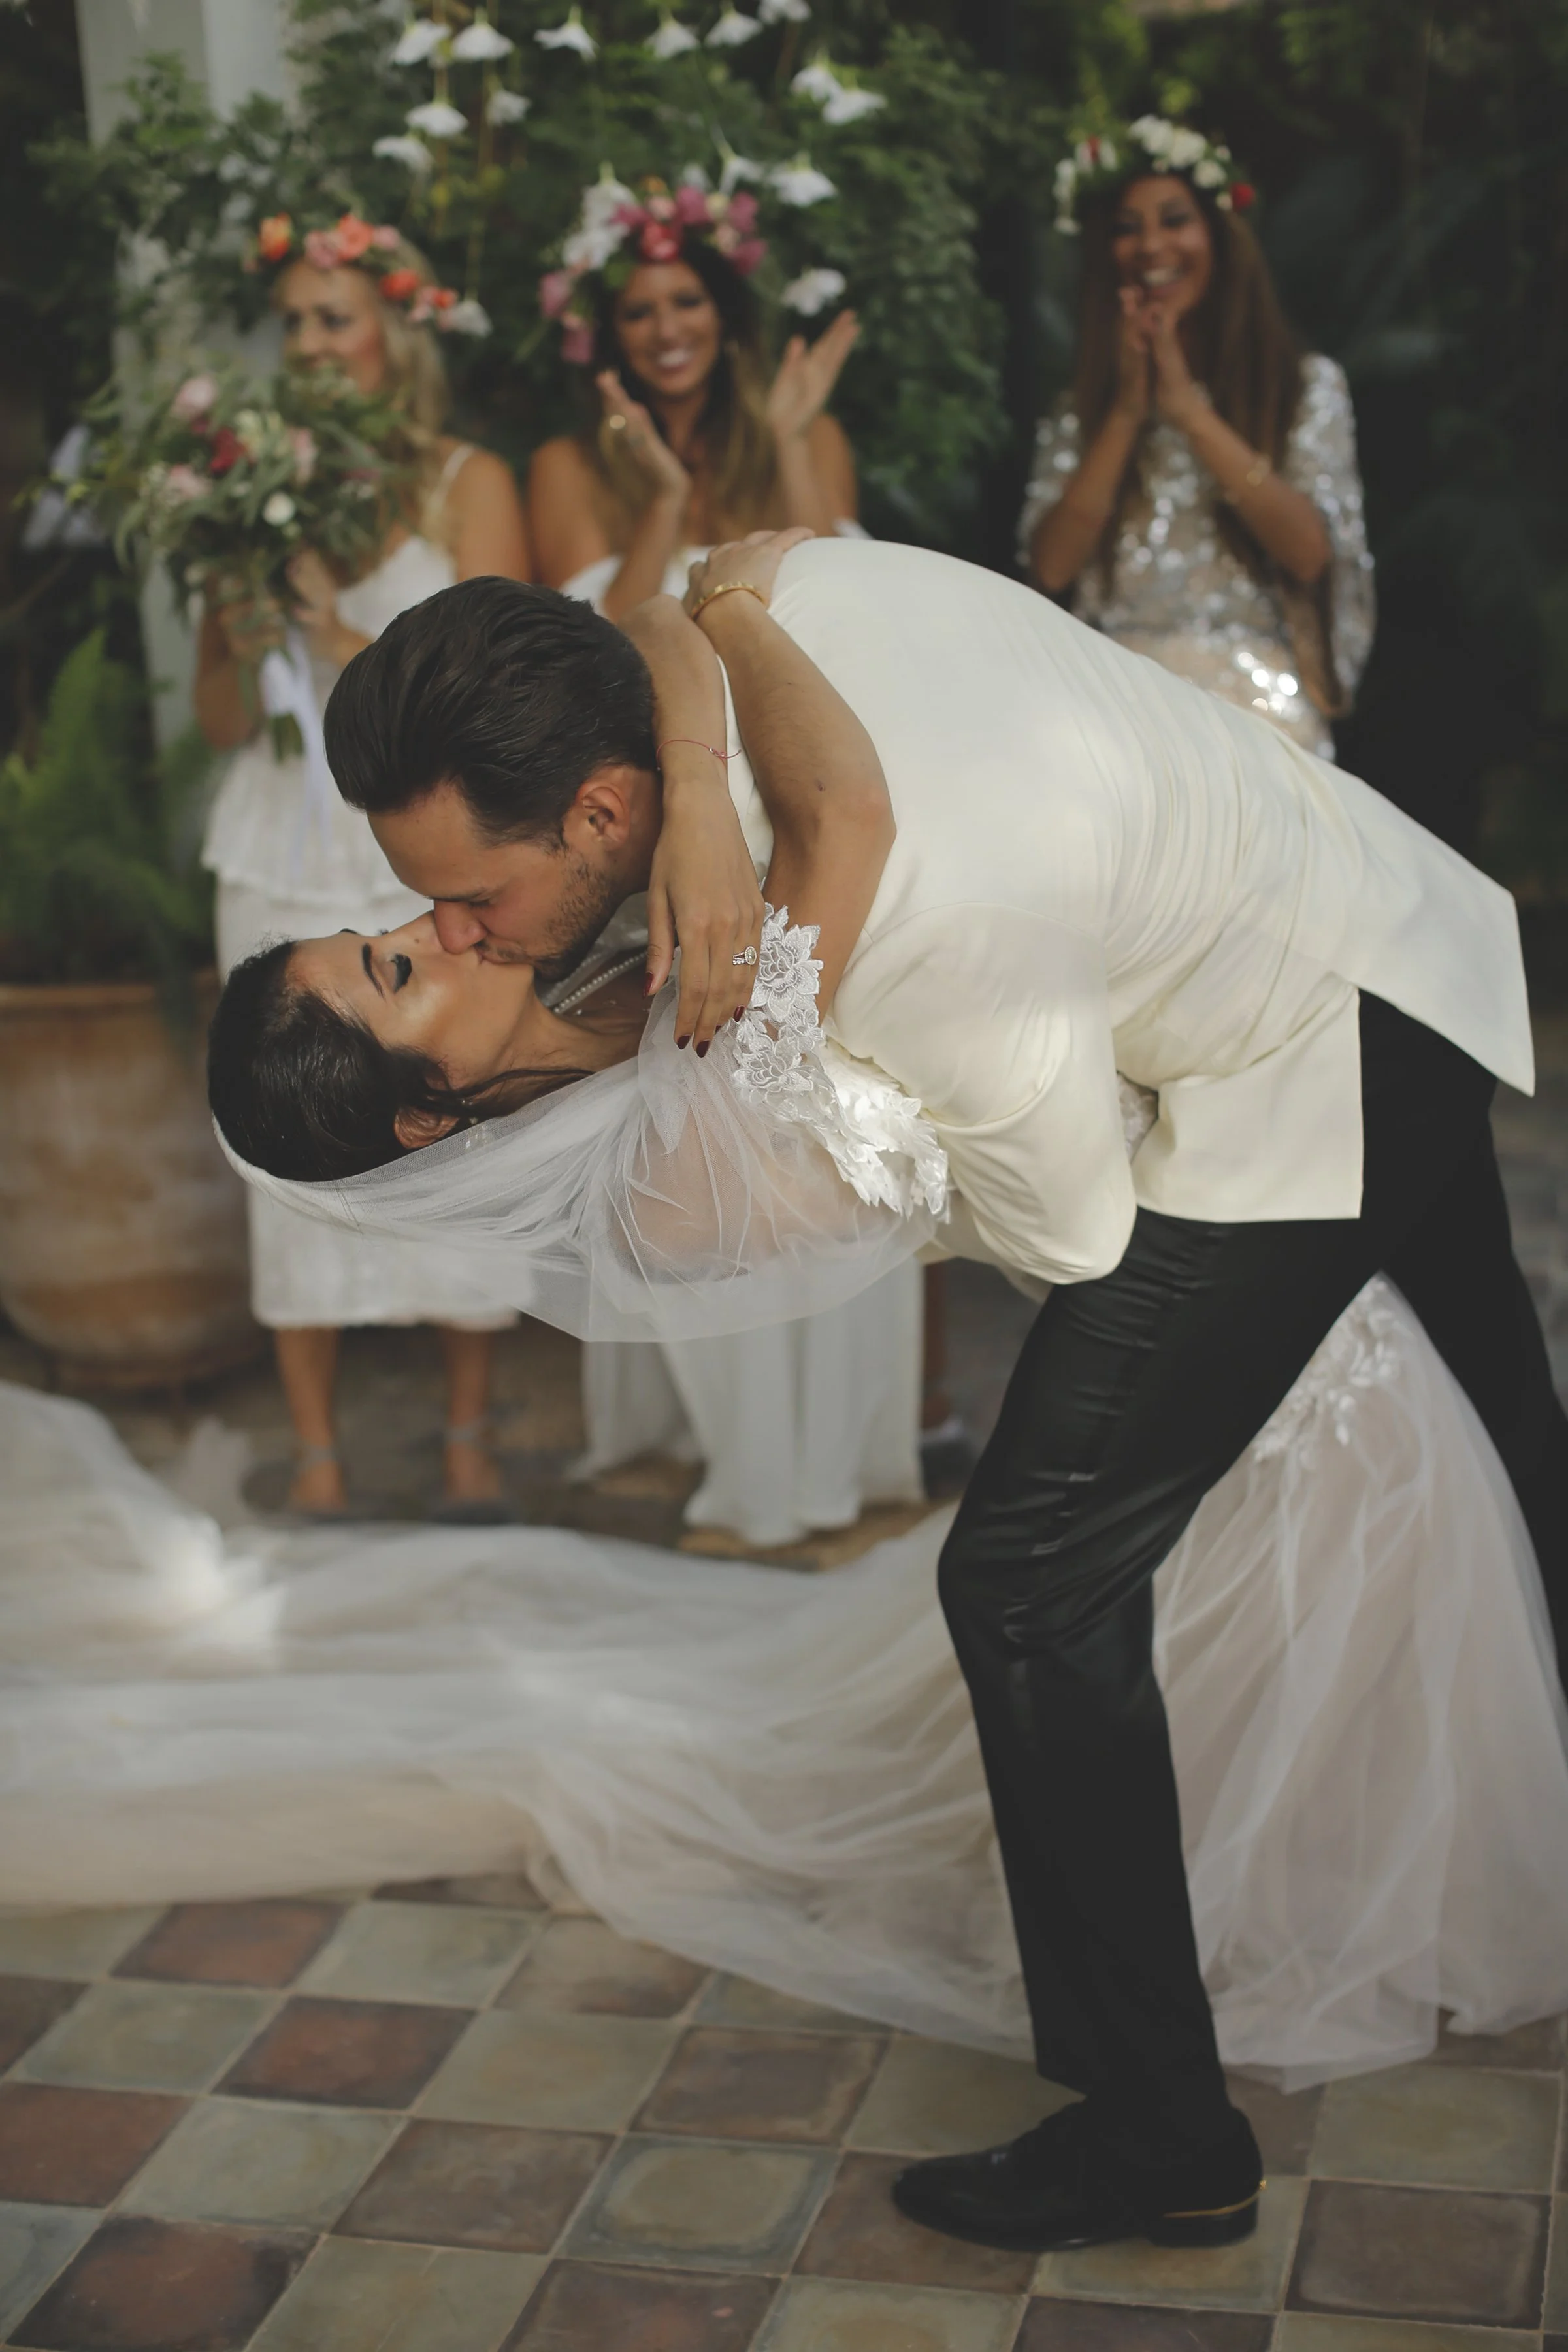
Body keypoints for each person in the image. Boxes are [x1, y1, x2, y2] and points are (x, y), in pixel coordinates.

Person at [212, 532, 1567, 2259]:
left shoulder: (908, 939)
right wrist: (711, 665)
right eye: (420, 926)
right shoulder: (726, 636)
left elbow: (1078, 1232)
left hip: (1319, 1045)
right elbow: (682, 586)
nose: (448, 925)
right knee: (1510, 1417)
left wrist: (751, 858)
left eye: (463, 903)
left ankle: (1164, 2137)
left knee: (1022, 1581)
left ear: (609, 815)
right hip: (1391, 907)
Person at [526, 174, 913, 1543]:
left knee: (831, 1105)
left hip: (804, 811)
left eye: (686, 300)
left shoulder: (800, 437)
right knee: (703, 1121)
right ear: (610, 333)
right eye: (639, 310)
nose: (666, 326)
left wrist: (797, 443)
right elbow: (588, 642)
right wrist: (665, 494)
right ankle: (734, 1452)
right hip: (668, 825)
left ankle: (842, 1457)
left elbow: (853, 595)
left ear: (723, 311)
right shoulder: (572, 467)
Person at [194, 210, 531, 1520]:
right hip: (277, 838)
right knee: (280, 1124)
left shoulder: (464, 480)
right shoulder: (237, 492)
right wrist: (236, 631)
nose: (313, 344)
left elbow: (503, 683)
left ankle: (465, 1438)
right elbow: (226, 721)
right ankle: (320, 1455)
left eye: (334, 318)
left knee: (452, 1107)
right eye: (292, 326)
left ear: (396, 330)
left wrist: (342, 637)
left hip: (418, 841)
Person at [1021, 119, 1374, 760]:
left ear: (1219, 235)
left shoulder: (1303, 386)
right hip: (1114, 695)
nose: (1151, 244)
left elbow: (1309, 553)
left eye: (1174, 220)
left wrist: (1190, 414)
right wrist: (1128, 412)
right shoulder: (1084, 407)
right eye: (1127, 228)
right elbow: (1052, 567)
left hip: (1262, 705)